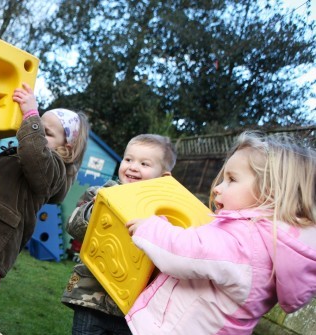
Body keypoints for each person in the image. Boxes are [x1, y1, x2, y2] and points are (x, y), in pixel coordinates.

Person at [125, 131, 316, 335]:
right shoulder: (269, 242)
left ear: (271, 190)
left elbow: (184, 252)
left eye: (231, 179)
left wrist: (151, 227)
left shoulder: (245, 241)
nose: (217, 188)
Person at [0, 83, 90, 335]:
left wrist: (31, 114)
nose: (35, 131)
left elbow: (35, 154)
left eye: (45, 131)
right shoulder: (17, 156)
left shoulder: (53, 169)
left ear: (65, 149)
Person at [61, 134, 177, 335]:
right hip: (91, 298)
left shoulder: (166, 213)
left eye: (144, 163)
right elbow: (73, 226)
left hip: (133, 309)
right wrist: (94, 210)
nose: (132, 166)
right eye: (128, 159)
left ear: (164, 176)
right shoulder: (101, 193)